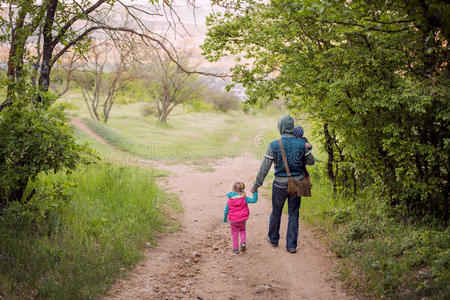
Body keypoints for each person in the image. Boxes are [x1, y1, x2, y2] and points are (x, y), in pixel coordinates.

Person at [250, 115, 314, 253]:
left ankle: (273, 240)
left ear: (281, 127)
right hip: (297, 184)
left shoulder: (274, 145)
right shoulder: (301, 144)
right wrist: (305, 150)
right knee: (294, 213)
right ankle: (291, 245)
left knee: (276, 211)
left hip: (279, 185)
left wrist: (256, 185)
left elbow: (264, 168)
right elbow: (311, 161)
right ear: (291, 128)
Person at [223, 181, 258, 254]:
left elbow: (226, 209)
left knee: (234, 234)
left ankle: (235, 249)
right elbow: (254, 200)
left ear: (233, 189)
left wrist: (225, 218)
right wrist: (255, 192)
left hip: (233, 220)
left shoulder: (230, 199)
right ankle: (243, 243)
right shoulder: (244, 198)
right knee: (242, 231)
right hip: (242, 220)